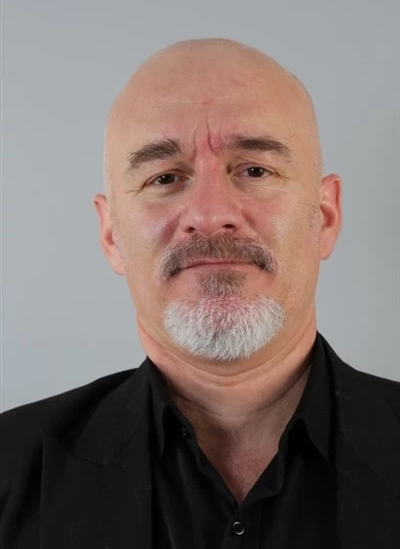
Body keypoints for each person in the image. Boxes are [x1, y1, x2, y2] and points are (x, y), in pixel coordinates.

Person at [1, 38, 399, 549]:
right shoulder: (8, 472)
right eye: (165, 177)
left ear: (325, 217)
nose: (210, 215)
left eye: (255, 170)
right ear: (112, 235)